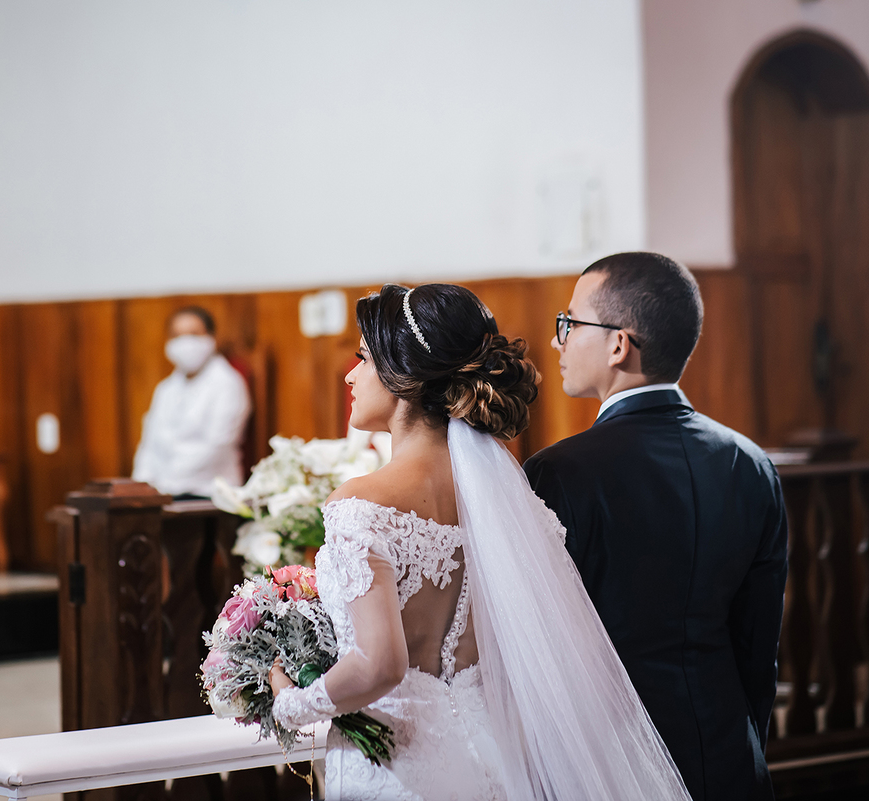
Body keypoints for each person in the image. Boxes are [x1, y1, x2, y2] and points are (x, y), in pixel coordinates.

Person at [269, 283, 691, 800]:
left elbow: (381, 666)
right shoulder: (507, 504)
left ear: (404, 375)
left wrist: (291, 702)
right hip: (492, 760)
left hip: (397, 771)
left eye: (363, 358)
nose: (350, 375)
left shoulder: (362, 503)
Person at [523, 252, 788, 801]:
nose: (557, 340)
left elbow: (544, 651)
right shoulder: (749, 462)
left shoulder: (560, 473)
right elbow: (758, 643)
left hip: (613, 760)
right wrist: (745, 749)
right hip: (729, 754)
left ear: (619, 344)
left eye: (569, 323)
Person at [132, 306, 250, 498]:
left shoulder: (228, 383)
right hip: (162, 491)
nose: (185, 342)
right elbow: (148, 444)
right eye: (177, 335)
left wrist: (167, 482)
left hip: (207, 491)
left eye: (194, 334)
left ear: (211, 338)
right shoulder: (166, 388)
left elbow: (218, 445)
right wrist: (140, 487)